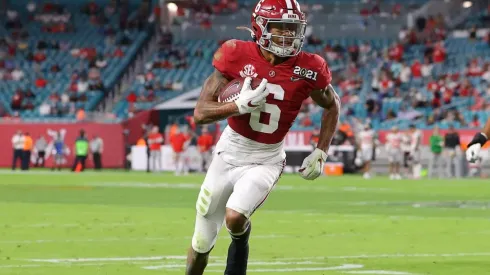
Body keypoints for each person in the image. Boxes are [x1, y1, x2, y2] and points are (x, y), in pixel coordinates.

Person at [185, 0, 341, 273]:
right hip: (229, 151)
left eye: (292, 29)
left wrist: (321, 150)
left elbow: (332, 103)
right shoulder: (235, 53)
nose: (287, 36)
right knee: (201, 241)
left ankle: (240, 240)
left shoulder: (310, 67)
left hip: (266, 158)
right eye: (280, 28)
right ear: (260, 27)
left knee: (234, 217)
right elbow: (200, 113)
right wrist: (237, 106)